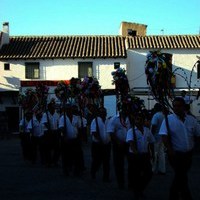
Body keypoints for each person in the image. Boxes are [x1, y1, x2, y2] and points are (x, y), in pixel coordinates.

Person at [159, 97, 200, 200]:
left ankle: (176, 195)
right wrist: (170, 150)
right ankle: (184, 196)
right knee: (181, 175)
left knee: (181, 176)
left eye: (178, 106)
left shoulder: (191, 120)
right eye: (174, 106)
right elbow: (164, 136)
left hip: (188, 154)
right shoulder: (168, 120)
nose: (176, 108)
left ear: (183, 106)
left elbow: (197, 134)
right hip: (176, 154)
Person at [126, 112, 155, 199]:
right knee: (136, 175)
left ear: (143, 121)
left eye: (141, 119)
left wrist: (152, 153)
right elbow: (131, 142)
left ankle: (140, 188)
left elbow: (151, 142)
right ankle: (137, 192)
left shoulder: (147, 130)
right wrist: (135, 153)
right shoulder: (131, 131)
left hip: (145, 155)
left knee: (149, 173)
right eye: (137, 119)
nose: (139, 121)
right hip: (135, 156)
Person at [107, 107, 131, 189]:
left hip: (128, 144)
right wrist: (117, 142)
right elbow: (111, 131)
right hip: (118, 145)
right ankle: (121, 183)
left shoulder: (130, 118)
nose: (127, 111)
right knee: (119, 165)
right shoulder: (114, 119)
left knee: (131, 164)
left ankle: (131, 183)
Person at [59, 104, 83, 176]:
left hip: (75, 139)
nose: (69, 110)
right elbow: (61, 128)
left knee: (76, 156)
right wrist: (65, 137)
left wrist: (80, 138)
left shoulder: (76, 118)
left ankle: (76, 170)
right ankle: (66, 169)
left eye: (70, 109)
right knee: (66, 156)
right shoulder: (63, 118)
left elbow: (79, 127)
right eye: (68, 109)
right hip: (66, 140)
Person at [90, 106, 111, 182]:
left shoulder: (108, 121)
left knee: (106, 161)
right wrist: (100, 141)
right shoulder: (95, 121)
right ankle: (93, 171)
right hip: (97, 145)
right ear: (99, 113)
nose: (103, 113)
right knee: (97, 160)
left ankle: (106, 177)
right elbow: (94, 132)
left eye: (104, 112)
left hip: (107, 144)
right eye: (102, 112)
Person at [41, 100, 60, 167]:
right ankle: (48, 162)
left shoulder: (56, 114)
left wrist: (57, 130)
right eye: (52, 107)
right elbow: (45, 123)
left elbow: (58, 123)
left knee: (57, 148)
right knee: (47, 149)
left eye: (54, 107)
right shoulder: (45, 114)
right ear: (49, 108)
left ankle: (55, 161)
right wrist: (50, 129)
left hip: (55, 132)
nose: (53, 108)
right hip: (47, 133)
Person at [151, 103, 166, 175]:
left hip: (155, 137)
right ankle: (162, 169)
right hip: (162, 137)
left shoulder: (156, 115)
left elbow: (154, 125)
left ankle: (152, 169)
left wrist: (151, 135)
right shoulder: (164, 115)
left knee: (154, 153)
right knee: (161, 153)